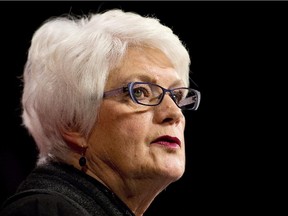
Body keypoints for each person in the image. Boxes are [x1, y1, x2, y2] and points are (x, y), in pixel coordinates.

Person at [0, 8, 200, 216]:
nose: (174, 113)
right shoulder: (43, 211)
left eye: (176, 96)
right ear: (73, 122)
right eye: (140, 92)